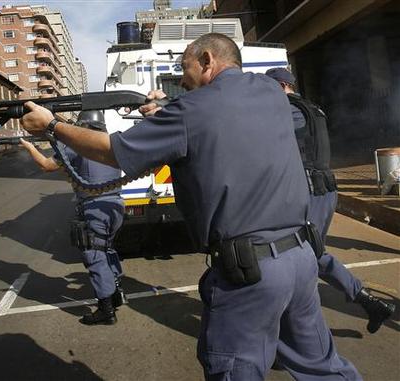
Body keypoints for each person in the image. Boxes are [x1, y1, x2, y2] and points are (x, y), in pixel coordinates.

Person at [20, 33, 361, 379]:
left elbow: (112, 150)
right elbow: (223, 115)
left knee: (233, 371)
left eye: (185, 68)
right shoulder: (270, 92)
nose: (183, 79)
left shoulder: (190, 112)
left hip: (250, 272)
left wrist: (52, 125)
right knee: (323, 368)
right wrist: (168, 108)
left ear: (208, 60)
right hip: (302, 259)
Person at [265, 67, 396, 334]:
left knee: (300, 256)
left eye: (267, 90)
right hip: (322, 190)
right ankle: (368, 303)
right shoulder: (312, 108)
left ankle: (298, 333)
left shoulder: (290, 110)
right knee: (311, 254)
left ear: (280, 87)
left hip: (311, 191)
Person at [20, 111, 126, 325]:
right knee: (106, 249)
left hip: (94, 208)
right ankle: (115, 294)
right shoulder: (113, 142)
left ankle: (106, 310)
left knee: (94, 255)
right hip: (116, 206)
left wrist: (30, 147)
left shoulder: (80, 145)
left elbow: (47, 165)